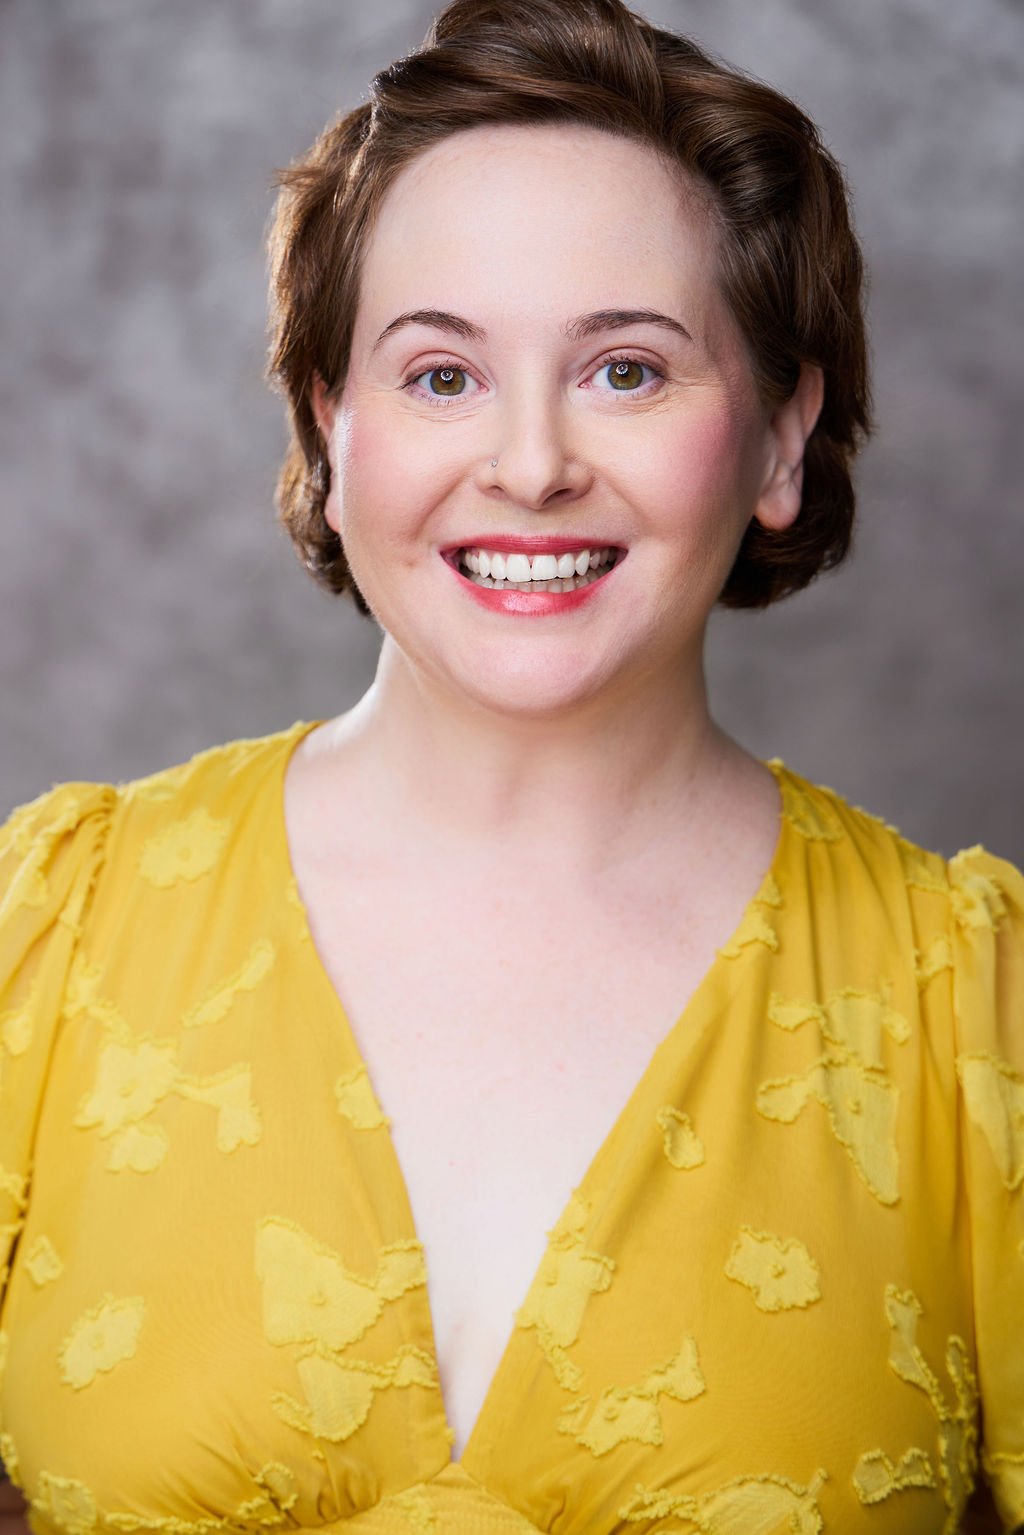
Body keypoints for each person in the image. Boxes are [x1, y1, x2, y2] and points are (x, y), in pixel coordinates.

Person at [0, 0, 1021, 1530]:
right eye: (440, 375)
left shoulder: (974, 1010)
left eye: (627, 371)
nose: (531, 466)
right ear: (329, 427)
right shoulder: (48, 933)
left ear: (779, 437)